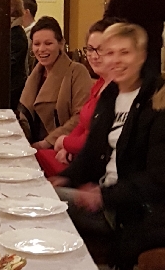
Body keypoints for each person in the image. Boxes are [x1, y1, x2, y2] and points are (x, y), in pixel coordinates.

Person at [53, 22, 165, 270]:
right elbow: (91, 153)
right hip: (108, 199)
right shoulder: (111, 96)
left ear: (141, 56)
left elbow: (161, 179)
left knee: (45, 207)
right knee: (41, 197)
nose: (115, 60)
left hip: (133, 214)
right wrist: (64, 178)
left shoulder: (162, 104)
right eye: (109, 53)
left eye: (125, 52)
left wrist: (104, 196)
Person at [35, 19, 112, 178]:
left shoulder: (113, 89)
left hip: (92, 167)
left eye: (101, 49)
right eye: (90, 49)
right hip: (73, 152)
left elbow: (93, 138)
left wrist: (63, 142)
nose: (94, 56)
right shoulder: (100, 83)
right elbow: (83, 123)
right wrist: (66, 145)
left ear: (61, 44)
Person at [18, 16, 94, 148]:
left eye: (48, 43)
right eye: (37, 44)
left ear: (61, 44)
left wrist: (46, 143)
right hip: (31, 144)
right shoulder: (36, 74)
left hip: (60, 147)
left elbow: (80, 118)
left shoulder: (77, 72)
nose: (41, 49)